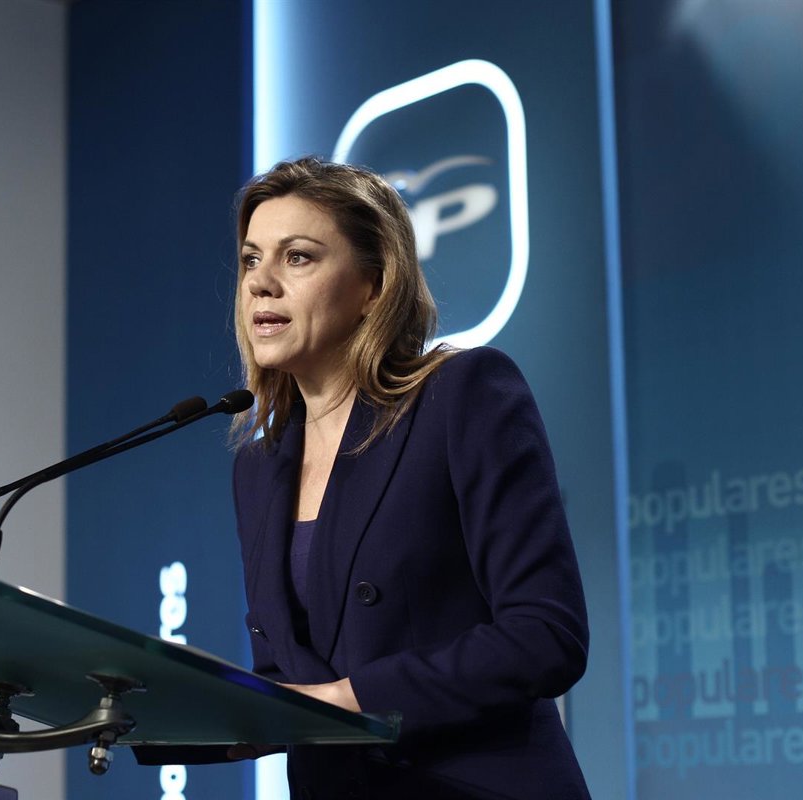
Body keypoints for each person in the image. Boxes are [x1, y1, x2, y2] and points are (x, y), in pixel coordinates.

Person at [139, 156, 591, 799]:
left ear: (374, 285)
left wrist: (346, 700)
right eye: (250, 260)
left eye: (297, 257)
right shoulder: (258, 468)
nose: (260, 283)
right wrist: (147, 702)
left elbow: (545, 635)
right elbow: (292, 675)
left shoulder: (461, 396)